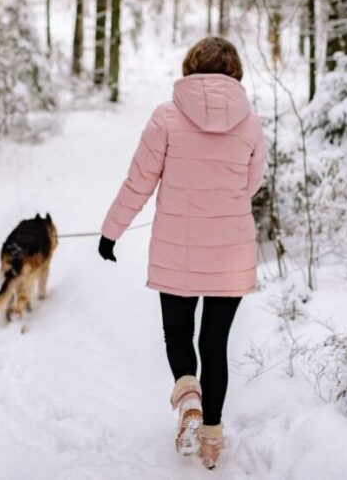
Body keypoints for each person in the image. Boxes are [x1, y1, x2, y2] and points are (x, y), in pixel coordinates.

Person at [98, 36, 266, 470]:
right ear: (235, 73)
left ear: (190, 67)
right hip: (230, 252)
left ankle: (189, 399)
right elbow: (252, 183)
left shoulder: (166, 117)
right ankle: (211, 442)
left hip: (177, 249)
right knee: (215, 344)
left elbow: (139, 181)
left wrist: (111, 232)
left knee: (178, 335)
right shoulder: (250, 122)